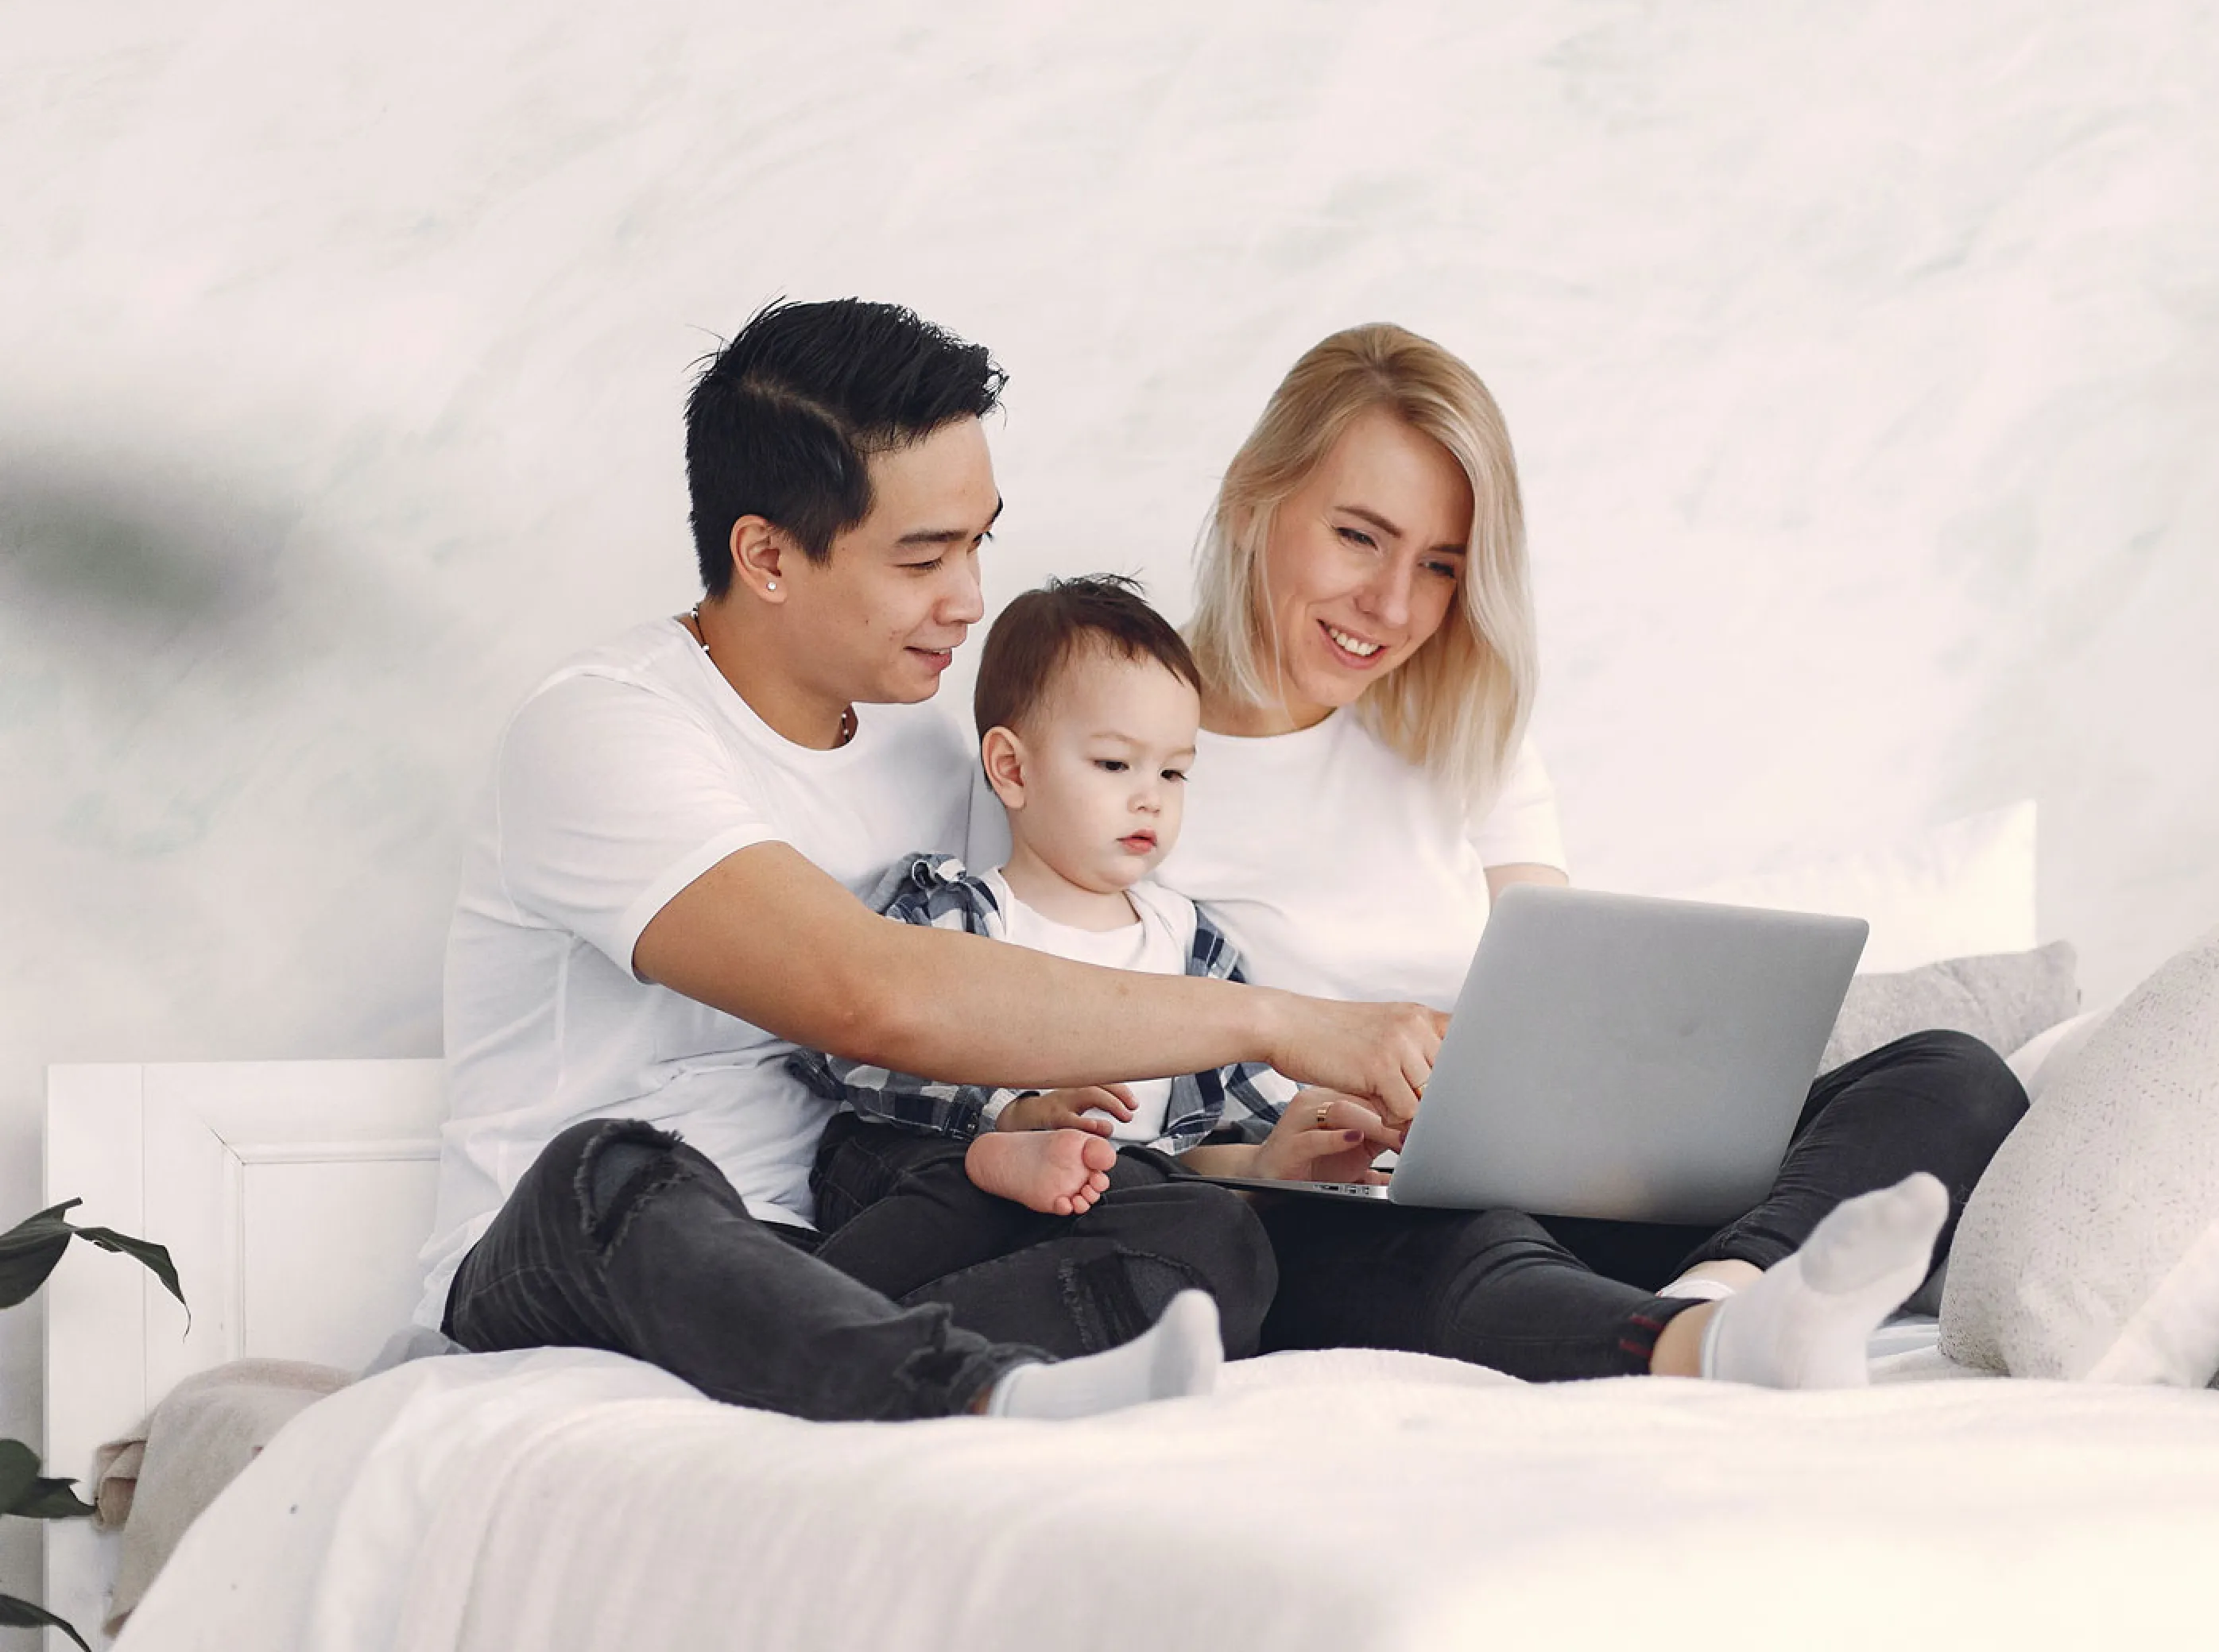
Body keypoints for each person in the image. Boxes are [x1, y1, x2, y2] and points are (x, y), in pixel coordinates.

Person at [858, 323, 2030, 1387]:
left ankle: (1722, 1293)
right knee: (1459, 1243)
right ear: (1255, 501)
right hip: (1322, 1203)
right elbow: (1029, 1034)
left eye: (1440, 564)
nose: (1392, 604)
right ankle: (1675, 1345)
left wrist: (1573, 1104)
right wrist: (1280, 1136)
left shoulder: (1470, 740)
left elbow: (1565, 1002)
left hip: (1535, 1179)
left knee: (1954, 1074)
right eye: (1359, 537)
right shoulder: (1101, 750)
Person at [419, 299, 1446, 1422]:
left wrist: (1101, 1130)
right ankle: (967, 1387)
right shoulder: (601, 730)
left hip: (842, 1256)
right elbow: (875, 997)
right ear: (766, 555)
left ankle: (914, 1385)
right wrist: (1280, 1021)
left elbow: (1016, 993)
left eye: (977, 543)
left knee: (1200, 1231)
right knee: (621, 1168)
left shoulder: (928, 755)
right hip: (580, 1261)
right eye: (923, 557)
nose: (969, 600)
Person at [791, 575, 1400, 1345]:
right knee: (930, 1168)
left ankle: (981, 1335)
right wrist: (1005, 1118)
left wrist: (1276, 1156)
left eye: (1173, 772)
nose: (1151, 797)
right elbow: (849, 1052)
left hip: (1082, 1214)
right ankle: (907, 1237)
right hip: (921, 1183)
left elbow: (1212, 1142)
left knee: (1186, 1211)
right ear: (1013, 769)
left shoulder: (1193, 946)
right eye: (1115, 765)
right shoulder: (957, 912)